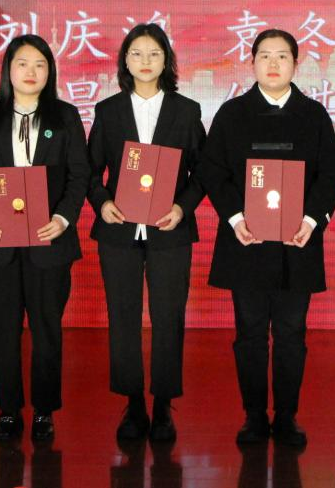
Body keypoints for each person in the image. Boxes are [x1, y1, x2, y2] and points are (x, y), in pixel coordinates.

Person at [197, 29, 335, 448]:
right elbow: (212, 170)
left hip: (298, 243)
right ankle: (253, 415)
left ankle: (286, 415)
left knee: (292, 333)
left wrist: (313, 220)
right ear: (252, 63)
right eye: (265, 56)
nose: (274, 64)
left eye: (282, 56)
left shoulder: (314, 115)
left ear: (296, 64)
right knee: (249, 333)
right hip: (247, 242)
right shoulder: (232, 114)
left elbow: (332, 173)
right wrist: (235, 217)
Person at [0, 34, 90, 444]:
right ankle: (8, 411)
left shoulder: (65, 117)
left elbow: (79, 175)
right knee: (4, 330)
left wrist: (63, 218)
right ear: (8, 70)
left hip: (49, 242)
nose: (31, 72)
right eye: (22, 63)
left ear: (50, 71)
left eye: (39, 64)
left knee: (46, 329)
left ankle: (44, 412)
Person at [87, 24, 205, 442]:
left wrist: (181, 208)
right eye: (136, 53)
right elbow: (89, 170)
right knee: (123, 317)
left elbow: (202, 172)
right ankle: (133, 403)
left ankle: (163, 405)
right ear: (125, 60)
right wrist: (103, 203)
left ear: (166, 60)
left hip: (169, 230)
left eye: (154, 53)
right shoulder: (108, 111)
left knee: (169, 317)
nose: (145, 61)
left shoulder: (186, 111)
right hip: (119, 231)